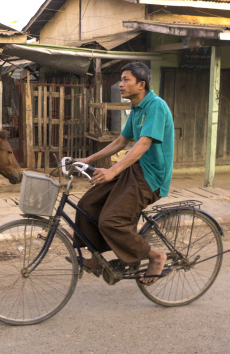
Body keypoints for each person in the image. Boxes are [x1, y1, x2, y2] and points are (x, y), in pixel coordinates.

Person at [74, 62, 174, 285]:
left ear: (141, 84)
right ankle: (97, 258)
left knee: (111, 220)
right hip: (135, 170)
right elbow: (121, 141)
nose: (120, 84)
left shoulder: (155, 106)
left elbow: (144, 144)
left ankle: (155, 256)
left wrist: (112, 171)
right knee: (88, 203)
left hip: (151, 177)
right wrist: (88, 160)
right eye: (121, 79)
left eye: (126, 79)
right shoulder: (137, 108)